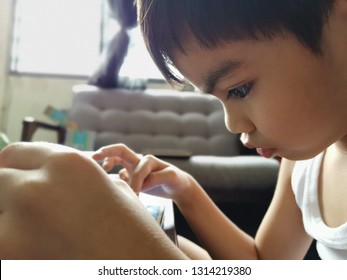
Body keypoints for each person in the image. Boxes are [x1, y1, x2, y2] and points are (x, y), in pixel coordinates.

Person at [0, 0, 346, 259]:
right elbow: (263, 263)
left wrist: (128, 247)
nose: (232, 124)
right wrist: (184, 192)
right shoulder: (305, 162)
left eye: (239, 89)